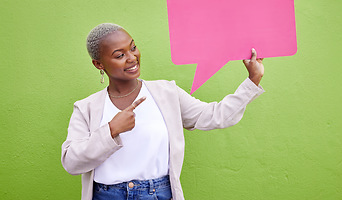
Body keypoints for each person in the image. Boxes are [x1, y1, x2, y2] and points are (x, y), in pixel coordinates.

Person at [61, 23, 265, 200]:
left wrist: (252, 81)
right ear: (99, 64)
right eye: (120, 55)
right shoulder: (86, 107)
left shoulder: (167, 93)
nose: (132, 57)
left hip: (157, 194)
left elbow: (214, 116)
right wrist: (111, 130)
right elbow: (71, 162)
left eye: (133, 48)